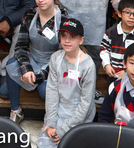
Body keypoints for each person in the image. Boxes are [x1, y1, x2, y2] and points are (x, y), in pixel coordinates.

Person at [5, 0, 69, 124]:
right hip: (32, 58)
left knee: (43, 92)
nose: (40, 0)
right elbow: (20, 46)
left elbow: (63, 54)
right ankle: (15, 110)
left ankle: (52, 117)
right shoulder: (29, 14)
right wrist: (27, 69)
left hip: (52, 64)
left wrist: (39, 76)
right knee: (9, 69)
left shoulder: (63, 18)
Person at [37, 19, 96, 148]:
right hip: (58, 111)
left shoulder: (88, 65)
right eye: (63, 36)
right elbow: (52, 90)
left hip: (79, 117)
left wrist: (64, 130)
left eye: (72, 37)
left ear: (81, 40)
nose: (67, 40)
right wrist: (51, 122)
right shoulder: (56, 58)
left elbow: (86, 103)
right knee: (44, 145)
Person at [100, 0, 134, 87]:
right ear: (119, 14)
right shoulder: (111, 32)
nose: (131, 17)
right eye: (127, 13)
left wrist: (127, 72)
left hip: (132, 76)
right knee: (112, 96)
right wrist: (106, 65)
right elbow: (104, 50)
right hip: (112, 74)